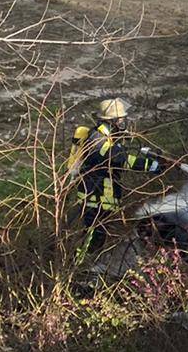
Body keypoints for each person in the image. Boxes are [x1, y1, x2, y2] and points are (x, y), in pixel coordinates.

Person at [67, 97, 170, 269]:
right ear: (113, 121)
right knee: (91, 238)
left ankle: (90, 268)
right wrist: (151, 166)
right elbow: (118, 158)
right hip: (95, 197)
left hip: (102, 198)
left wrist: (152, 157)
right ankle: (77, 271)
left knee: (99, 239)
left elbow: (122, 152)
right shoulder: (97, 137)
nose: (124, 122)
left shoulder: (108, 137)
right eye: (121, 119)